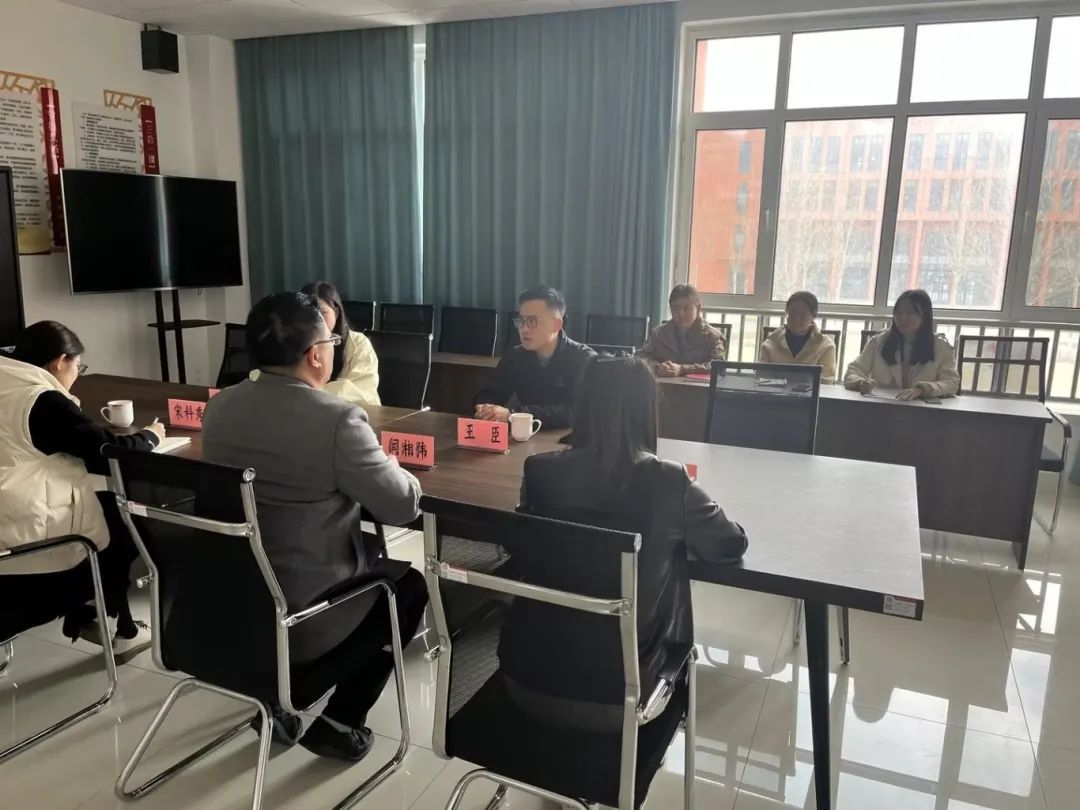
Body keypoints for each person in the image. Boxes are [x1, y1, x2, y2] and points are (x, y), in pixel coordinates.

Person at [202, 292, 427, 762]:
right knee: (407, 588)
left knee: (366, 550)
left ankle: (274, 697)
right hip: (302, 614)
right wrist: (391, 462)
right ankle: (339, 721)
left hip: (228, 606)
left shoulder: (220, 408)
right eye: (330, 342)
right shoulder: (337, 420)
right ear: (315, 355)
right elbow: (401, 505)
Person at [500, 357, 748, 731]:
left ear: (583, 404)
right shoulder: (669, 481)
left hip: (525, 683)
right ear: (646, 410)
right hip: (625, 699)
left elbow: (521, 547)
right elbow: (728, 545)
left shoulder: (540, 471)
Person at [0, 321, 163, 659]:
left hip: (9, 520)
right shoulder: (41, 400)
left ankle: (92, 615)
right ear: (60, 361)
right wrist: (151, 437)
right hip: (26, 542)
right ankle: (112, 622)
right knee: (128, 521)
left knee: (107, 506)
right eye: (79, 366)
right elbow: (108, 454)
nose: (77, 374)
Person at [473, 286, 596, 429]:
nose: (524, 329)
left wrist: (513, 415)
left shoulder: (584, 359)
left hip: (568, 438)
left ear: (556, 325)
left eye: (532, 321)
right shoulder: (514, 356)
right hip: (525, 437)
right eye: (521, 320)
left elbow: (577, 411)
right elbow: (491, 393)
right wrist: (485, 409)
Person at [249, 281, 380, 407]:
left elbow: (360, 390)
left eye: (322, 312)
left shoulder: (359, 344)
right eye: (310, 314)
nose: (317, 319)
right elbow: (264, 375)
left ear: (337, 312)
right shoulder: (290, 339)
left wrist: (304, 393)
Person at [844, 289, 960, 400]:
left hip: (922, 409)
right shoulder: (878, 342)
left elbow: (951, 382)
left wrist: (922, 389)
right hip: (882, 408)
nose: (903, 318)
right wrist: (860, 383)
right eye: (899, 312)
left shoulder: (941, 347)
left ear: (924, 317)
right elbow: (853, 371)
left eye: (910, 313)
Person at [640, 284, 727, 377]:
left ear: (698, 308)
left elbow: (720, 367)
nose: (681, 314)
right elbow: (641, 357)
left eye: (687, 308)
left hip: (696, 386)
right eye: (675, 308)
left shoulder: (713, 337)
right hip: (662, 384)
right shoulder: (658, 334)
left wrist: (683, 369)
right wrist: (657, 367)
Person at [759, 291, 837, 383]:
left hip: (811, 393)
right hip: (776, 392)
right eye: (791, 313)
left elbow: (826, 381)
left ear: (814, 315)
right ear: (786, 312)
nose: (796, 319)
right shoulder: (771, 343)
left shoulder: (826, 346)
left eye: (802, 315)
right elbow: (762, 377)